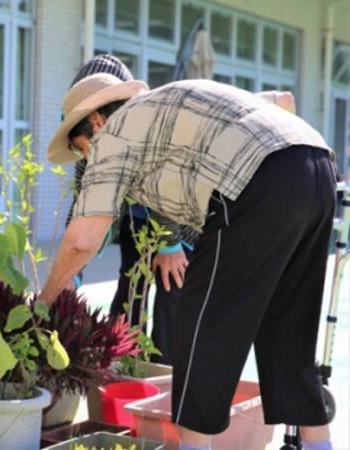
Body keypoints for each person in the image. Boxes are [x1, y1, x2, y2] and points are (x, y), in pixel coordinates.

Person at [40, 74, 335, 450]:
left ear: (96, 122)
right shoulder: (167, 104)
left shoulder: (113, 135)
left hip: (254, 181)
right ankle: (318, 445)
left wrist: (45, 302)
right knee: (288, 326)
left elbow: (82, 240)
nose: (86, 158)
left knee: (202, 326)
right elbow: (280, 104)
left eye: (82, 149)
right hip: (316, 166)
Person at [64, 54, 196, 365]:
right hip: (136, 218)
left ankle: (163, 379)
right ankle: (123, 365)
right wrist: (73, 274)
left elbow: (169, 180)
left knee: (171, 292)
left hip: (180, 220)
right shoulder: (87, 145)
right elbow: (82, 209)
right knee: (131, 289)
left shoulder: (149, 122)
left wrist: (170, 242)